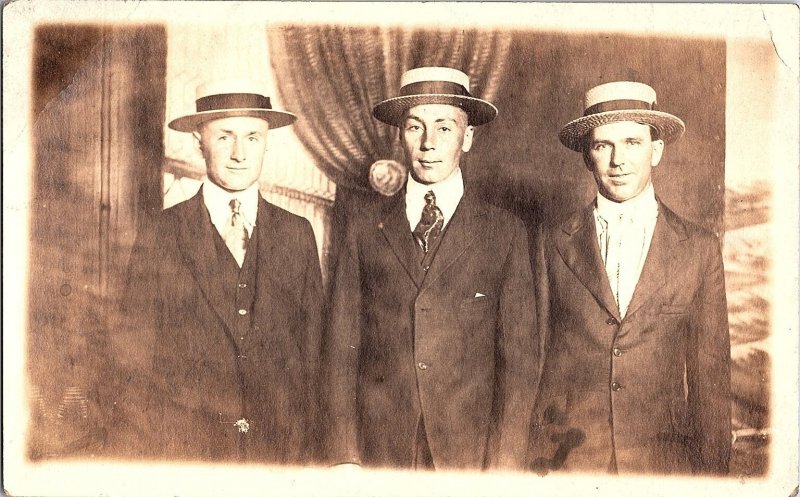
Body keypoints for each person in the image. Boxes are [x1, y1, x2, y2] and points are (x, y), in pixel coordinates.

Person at [322, 67, 538, 471]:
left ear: (467, 137)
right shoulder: (363, 229)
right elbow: (340, 351)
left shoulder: (505, 232)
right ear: (400, 135)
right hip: (380, 453)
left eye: (444, 127)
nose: (428, 143)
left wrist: (505, 465)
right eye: (415, 127)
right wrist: (344, 458)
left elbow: (520, 363)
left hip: (469, 457)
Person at [109, 80, 323, 464]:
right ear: (198, 141)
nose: (240, 154)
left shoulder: (297, 233)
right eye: (225, 137)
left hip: (280, 456)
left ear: (267, 143)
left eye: (253, 137)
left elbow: (313, 357)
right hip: (186, 454)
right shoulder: (160, 232)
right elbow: (132, 360)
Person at [527, 81, 731, 475]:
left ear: (656, 150)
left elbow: (711, 382)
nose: (618, 160)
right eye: (603, 145)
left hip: (661, 466)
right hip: (566, 464)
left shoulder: (699, 248)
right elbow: (530, 366)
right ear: (587, 157)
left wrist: (713, 482)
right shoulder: (550, 241)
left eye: (632, 142)